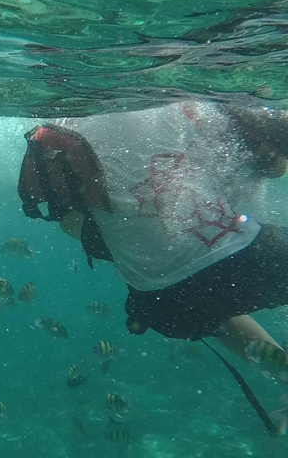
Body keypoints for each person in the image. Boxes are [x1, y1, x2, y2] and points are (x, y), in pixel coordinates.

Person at [17, 101, 288, 358]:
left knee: (215, 307)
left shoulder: (57, 127)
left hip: (163, 302)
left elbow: (71, 225)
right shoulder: (176, 91)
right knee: (219, 275)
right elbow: (275, 161)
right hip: (245, 262)